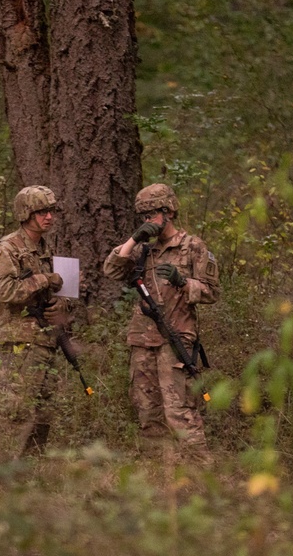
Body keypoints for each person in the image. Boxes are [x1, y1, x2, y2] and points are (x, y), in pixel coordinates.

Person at [103, 183, 220, 464]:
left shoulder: (193, 246)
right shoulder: (143, 250)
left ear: (168, 212)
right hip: (143, 339)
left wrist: (184, 282)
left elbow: (212, 291)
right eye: (142, 216)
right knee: (147, 411)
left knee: (179, 410)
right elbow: (111, 270)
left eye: (152, 214)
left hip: (176, 337)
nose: (147, 221)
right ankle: (156, 476)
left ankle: (198, 475)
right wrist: (133, 240)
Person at [0, 185, 71, 458]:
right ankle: (1, 474)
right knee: (15, 410)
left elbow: (64, 291)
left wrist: (62, 303)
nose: (49, 217)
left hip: (46, 340)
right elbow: (7, 292)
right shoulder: (7, 248)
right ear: (26, 214)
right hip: (19, 342)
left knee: (43, 411)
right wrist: (44, 279)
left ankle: (31, 475)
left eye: (51, 211)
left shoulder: (47, 248)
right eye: (41, 212)